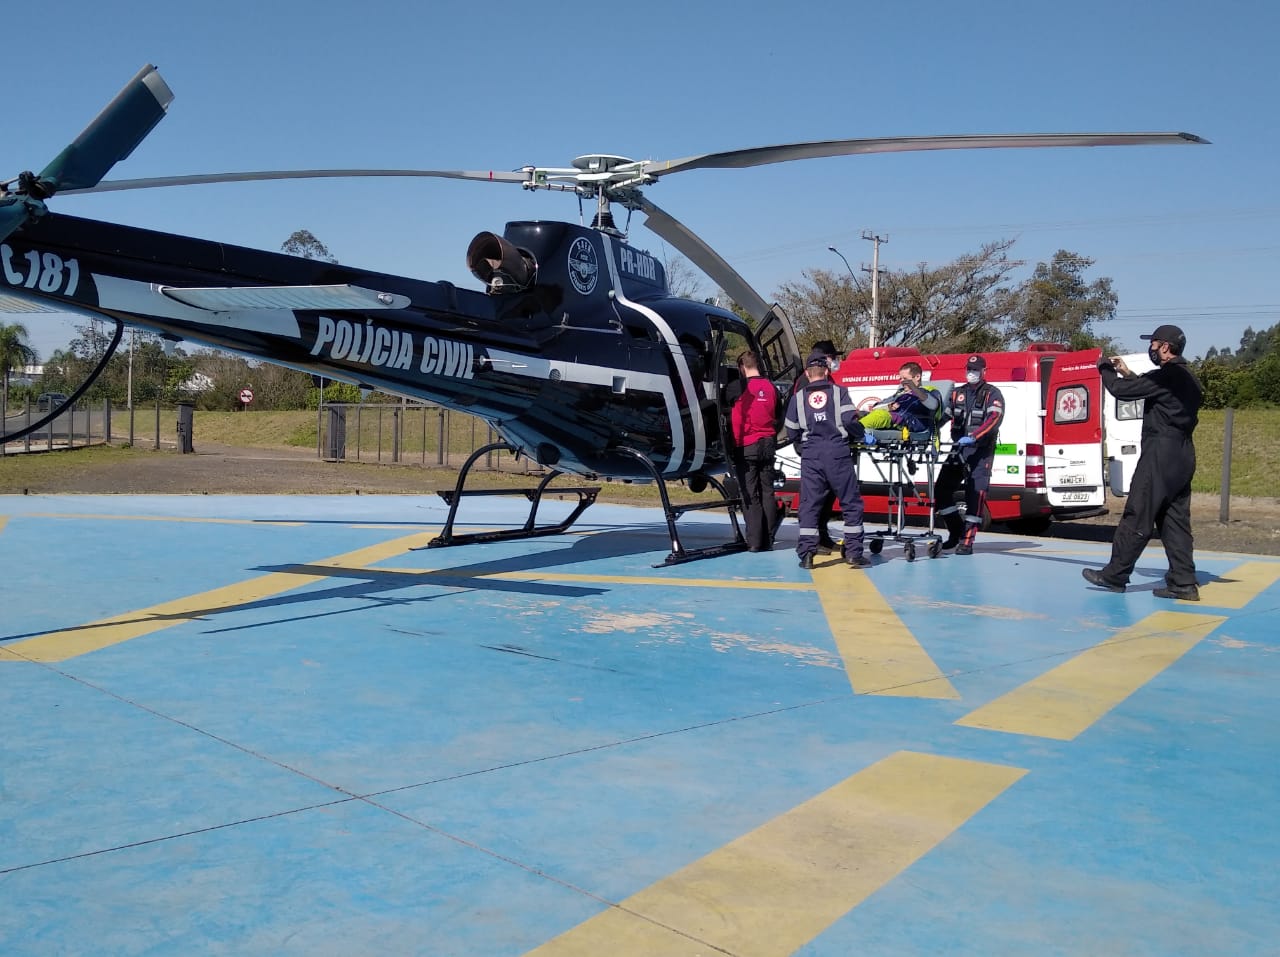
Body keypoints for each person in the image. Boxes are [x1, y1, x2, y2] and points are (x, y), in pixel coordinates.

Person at [1082, 324, 1204, 599]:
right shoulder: (1188, 378)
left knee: (1139, 512)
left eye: (1154, 343)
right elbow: (1159, 396)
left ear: (1164, 346)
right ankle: (1183, 583)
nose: (1151, 348)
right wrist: (1129, 372)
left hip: (1160, 452)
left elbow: (1122, 392)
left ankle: (1115, 576)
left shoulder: (1167, 375)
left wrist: (1105, 368)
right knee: (1175, 520)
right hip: (1183, 454)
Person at [784, 348, 871, 569]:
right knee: (850, 503)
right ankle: (853, 553)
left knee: (809, 506)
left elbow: (791, 430)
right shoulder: (839, 392)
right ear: (826, 370)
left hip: (811, 455)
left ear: (807, 372)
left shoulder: (798, 398)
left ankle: (806, 554)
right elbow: (850, 421)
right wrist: (863, 435)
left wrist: (804, 446)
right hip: (837, 452)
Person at [934, 354, 1004, 555]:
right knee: (941, 490)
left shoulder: (993, 393)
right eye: (969, 369)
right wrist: (929, 433)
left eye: (975, 370)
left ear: (984, 371)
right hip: (958, 449)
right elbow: (943, 416)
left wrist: (974, 436)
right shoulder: (957, 393)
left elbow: (994, 418)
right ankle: (955, 531)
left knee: (975, 494)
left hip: (981, 451)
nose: (971, 373)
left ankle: (967, 541)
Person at [792, 340, 843, 550]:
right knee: (816, 496)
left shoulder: (817, 379)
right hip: (816, 446)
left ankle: (818, 537)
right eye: (834, 357)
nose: (836, 362)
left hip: (818, 446)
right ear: (826, 357)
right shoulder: (810, 382)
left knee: (825, 493)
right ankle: (813, 540)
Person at [730, 350, 781, 552]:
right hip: (768, 443)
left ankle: (754, 541)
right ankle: (768, 539)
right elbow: (778, 414)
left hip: (747, 443)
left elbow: (721, 402)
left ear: (742, 367)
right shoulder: (772, 388)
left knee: (750, 493)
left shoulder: (738, 387)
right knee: (767, 491)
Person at [858, 361, 942, 435]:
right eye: (900, 378)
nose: (901, 381)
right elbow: (875, 407)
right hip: (893, 419)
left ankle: (854, 430)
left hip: (911, 422)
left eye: (905, 379)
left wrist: (914, 389)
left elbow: (933, 405)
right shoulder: (900, 392)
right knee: (856, 414)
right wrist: (889, 406)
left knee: (881, 415)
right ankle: (851, 431)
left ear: (917, 377)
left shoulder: (928, 391)